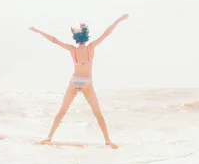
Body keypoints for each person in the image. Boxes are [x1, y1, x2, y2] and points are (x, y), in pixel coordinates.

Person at [29, 14, 129, 149]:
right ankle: (108, 140)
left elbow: (54, 40)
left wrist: (37, 31)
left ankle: (49, 137)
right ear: (86, 35)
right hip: (87, 82)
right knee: (97, 113)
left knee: (62, 111)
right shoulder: (91, 47)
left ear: (75, 37)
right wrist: (118, 20)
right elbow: (106, 34)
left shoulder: (72, 49)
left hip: (75, 81)